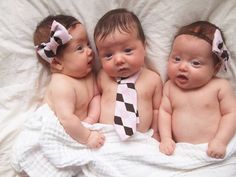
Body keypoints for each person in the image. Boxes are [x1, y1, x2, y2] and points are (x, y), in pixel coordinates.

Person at [158, 21, 236, 159]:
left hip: (216, 147)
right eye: (177, 59)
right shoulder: (170, 87)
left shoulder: (219, 86)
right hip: (181, 151)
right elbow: (164, 112)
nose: (182, 67)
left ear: (215, 68)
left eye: (195, 63)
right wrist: (166, 138)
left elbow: (231, 114)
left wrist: (221, 140)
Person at [33, 14, 105, 148]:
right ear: (57, 63)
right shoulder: (62, 84)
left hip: (80, 128)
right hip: (61, 132)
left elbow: (96, 96)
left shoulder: (89, 75)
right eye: (80, 48)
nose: (90, 51)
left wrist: (91, 119)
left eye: (88, 44)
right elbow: (66, 119)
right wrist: (87, 137)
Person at [94, 8, 163, 140]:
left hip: (142, 138)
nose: (119, 60)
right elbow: (94, 99)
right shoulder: (102, 76)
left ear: (144, 47)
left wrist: (156, 133)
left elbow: (157, 110)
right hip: (105, 137)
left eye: (127, 50)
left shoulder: (153, 79)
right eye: (108, 55)